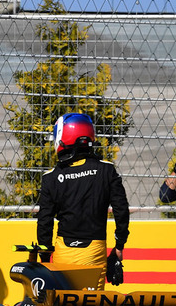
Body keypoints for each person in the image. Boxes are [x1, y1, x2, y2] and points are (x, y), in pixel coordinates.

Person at [37, 113, 130, 290]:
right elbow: (121, 210)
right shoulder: (106, 170)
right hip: (94, 253)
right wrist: (119, 247)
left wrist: (44, 258)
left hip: (63, 254)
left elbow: (44, 222)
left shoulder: (51, 177)